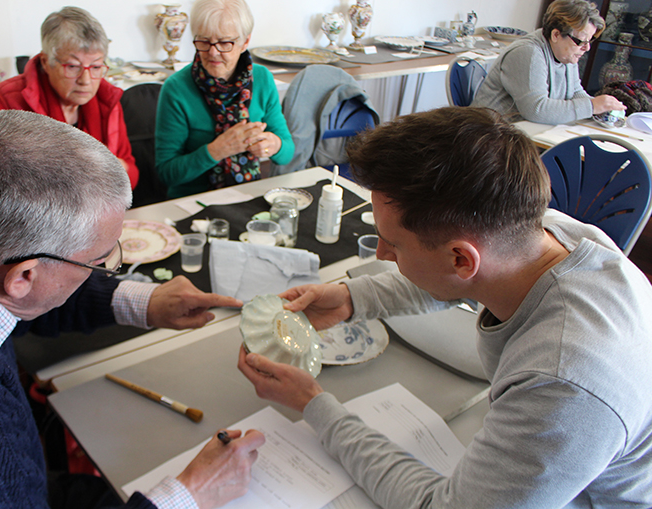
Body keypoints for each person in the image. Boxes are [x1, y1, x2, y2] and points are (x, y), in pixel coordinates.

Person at [238, 106, 652, 507]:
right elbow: (464, 279)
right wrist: (353, 298)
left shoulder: (562, 383)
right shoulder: (550, 232)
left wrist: (315, 405)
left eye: (394, 244)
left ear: (461, 258)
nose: (381, 254)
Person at [0, 110, 265, 509]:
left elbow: (19, 291)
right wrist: (192, 495)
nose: (103, 270)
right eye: (98, 261)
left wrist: (145, 302)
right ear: (24, 276)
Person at [155, 0, 294, 198]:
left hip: (248, 195)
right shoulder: (176, 88)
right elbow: (166, 173)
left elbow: (287, 152)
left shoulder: (262, 79)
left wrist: (273, 145)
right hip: (191, 203)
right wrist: (217, 150)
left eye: (224, 43)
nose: (212, 52)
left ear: (244, 42)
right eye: (204, 41)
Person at [0, 6, 139, 188]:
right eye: (72, 67)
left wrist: (117, 169)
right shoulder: (6, 103)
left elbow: (131, 176)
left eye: (96, 67)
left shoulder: (107, 99)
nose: (86, 80)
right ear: (46, 62)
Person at [473, 0, 626, 124]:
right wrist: (591, 106)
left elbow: (575, 92)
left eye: (589, 41)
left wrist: (601, 110)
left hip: (524, 132)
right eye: (581, 41)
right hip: (490, 135)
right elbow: (537, 110)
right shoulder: (528, 53)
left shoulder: (566, 52)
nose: (586, 48)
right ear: (556, 35)